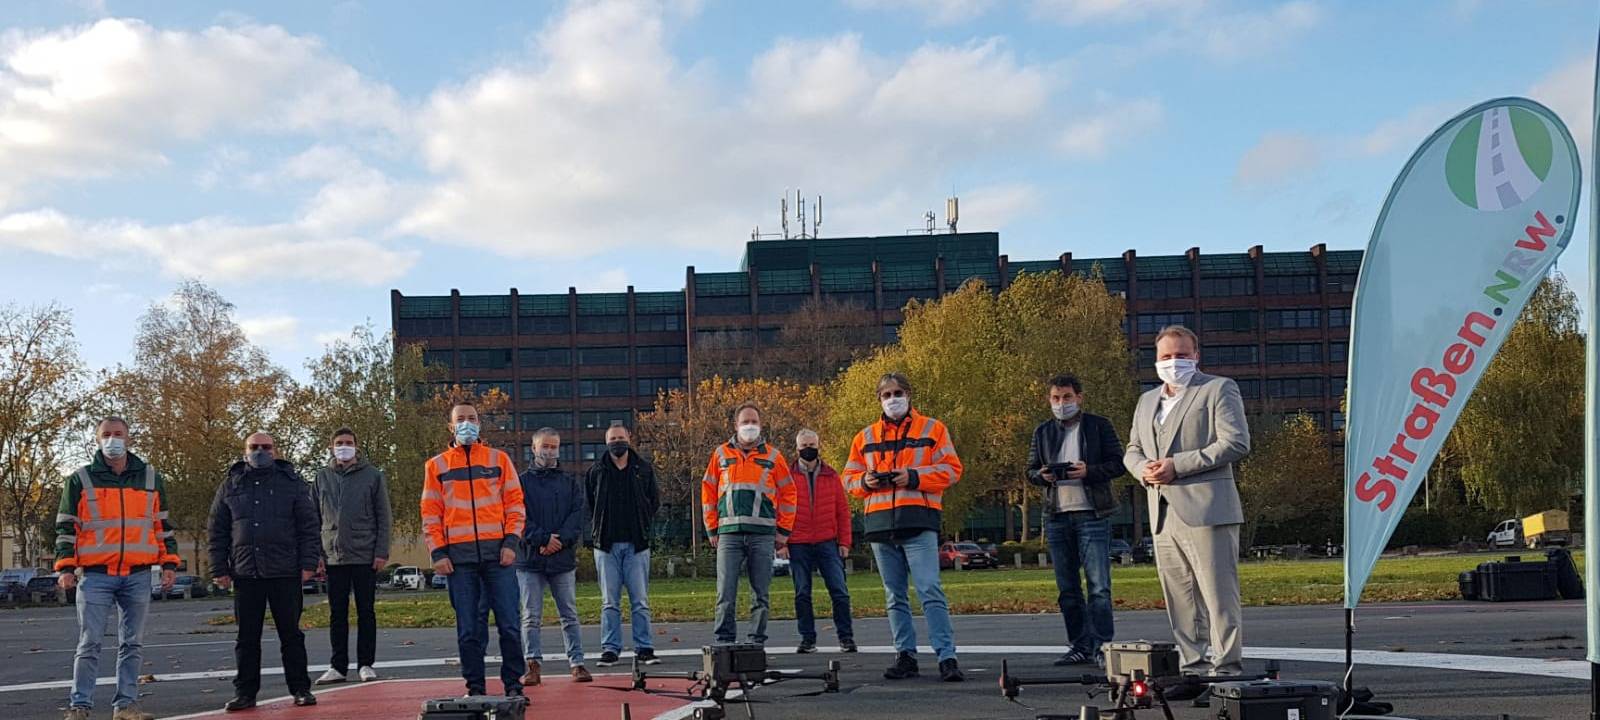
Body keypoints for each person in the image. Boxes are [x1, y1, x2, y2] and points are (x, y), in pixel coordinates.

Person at [1124, 325, 1251, 699]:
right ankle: (1192, 670)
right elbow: (1132, 447)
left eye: (1181, 355)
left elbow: (1235, 442)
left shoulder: (1217, 389)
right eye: (1166, 357)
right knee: (1179, 596)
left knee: (1218, 595)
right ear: (1155, 361)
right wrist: (1142, 469)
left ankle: (1226, 670)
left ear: (1196, 356)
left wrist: (1178, 465)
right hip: (1162, 511)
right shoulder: (1147, 401)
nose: (1173, 362)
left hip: (1208, 508)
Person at [842, 373, 965, 682]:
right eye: (887, 394)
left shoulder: (933, 429)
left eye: (898, 393)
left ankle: (946, 656)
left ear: (909, 395)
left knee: (929, 589)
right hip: (881, 525)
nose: (892, 399)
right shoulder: (865, 436)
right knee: (894, 595)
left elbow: (952, 470)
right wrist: (865, 482)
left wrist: (913, 476)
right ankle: (905, 654)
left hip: (918, 521)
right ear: (879, 400)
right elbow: (848, 477)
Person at [55, 416, 180, 720]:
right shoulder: (80, 479)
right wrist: (66, 566)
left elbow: (161, 526)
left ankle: (126, 705)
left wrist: (168, 562)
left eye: (118, 434)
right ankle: (80, 706)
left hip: (137, 574)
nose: (113, 439)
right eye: (107, 435)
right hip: (96, 575)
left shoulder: (151, 478)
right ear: (97, 440)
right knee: (90, 643)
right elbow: (66, 528)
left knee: (132, 643)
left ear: (129, 438)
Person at [421, 403, 528, 697]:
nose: (467, 424)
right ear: (451, 427)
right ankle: (476, 688)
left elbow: (515, 504)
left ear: (480, 424)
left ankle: (513, 686)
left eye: (472, 419)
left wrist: (511, 543)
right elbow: (430, 513)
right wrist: (438, 553)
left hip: (499, 557)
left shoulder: (499, 460)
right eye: (461, 420)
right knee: (469, 630)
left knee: (509, 624)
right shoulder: (437, 466)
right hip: (459, 560)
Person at [209, 432, 321, 711]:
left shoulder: (293, 484)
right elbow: (217, 530)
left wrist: (309, 563)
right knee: (247, 638)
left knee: (291, 635)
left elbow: (308, 526)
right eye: (254, 447)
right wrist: (219, 567)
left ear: (276, 450)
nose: (260, 451)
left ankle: (300, 688)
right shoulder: (230, 485)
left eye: (266, 447)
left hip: (285, 572)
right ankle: (245, 693)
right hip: (246, 573)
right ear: (245, 450)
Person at [1026, 374, 1126, 667]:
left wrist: (1089, 470)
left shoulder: (1098, 425)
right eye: (1056, 398)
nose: (1061, 403)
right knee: (1067, 588)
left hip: (1092, 513)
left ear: (1079, 397)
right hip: (1056, 515)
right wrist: (1041, 476)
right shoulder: (1043, 432)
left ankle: (1102, 646)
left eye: (1067, 397)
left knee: (1098, 586)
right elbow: (1029, 470)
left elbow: (1119, 464)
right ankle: (1079, 645)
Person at [702, 403, 796, 647]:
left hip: (763, 534)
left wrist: (783, 532)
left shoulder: (774, 457)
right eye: (745, 422)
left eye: (754, 421)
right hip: (728, 535)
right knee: (725, 593)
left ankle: (756, 641)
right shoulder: (721, 454)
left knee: (761, 594)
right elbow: (708, 491)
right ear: (735, 425)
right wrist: (711, 528)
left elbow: (788, 494)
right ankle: (724, 641)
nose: (750, 426)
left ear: (761, 424)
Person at [312, 427, 393, 686]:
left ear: (356, 447)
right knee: (337, 613)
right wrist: (317, 555)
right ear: (331, 447)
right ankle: (337, 666)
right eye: (339, 443)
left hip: (365, 555)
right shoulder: (321, 478)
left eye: (348, 442)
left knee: (366, 612)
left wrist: (381, 551)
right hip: (333, 557)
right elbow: (312, 518)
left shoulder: (373, 476)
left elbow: (384, 517)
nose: (344, 446)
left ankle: (366, 664)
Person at [515, 428, 592, 685]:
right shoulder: (521, 482)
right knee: (531, 615)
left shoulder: (569, 482)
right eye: (544, 446)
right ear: (534, 448)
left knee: (569, 613)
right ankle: (532, 664)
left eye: (553, 446)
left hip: (562, 560)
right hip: (530, 560)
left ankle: (577, 663)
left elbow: (577, 516)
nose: (549, 451)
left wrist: (558, 542)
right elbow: (518, 517)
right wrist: (542, 540)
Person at [584, 424, 661, 667]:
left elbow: (654, 501)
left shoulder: (643, 469)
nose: (617, 442)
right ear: (606, 443)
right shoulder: (596, 470)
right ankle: (610, 649)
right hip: (606, 545)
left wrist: (643, 523)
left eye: (621, 438)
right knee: (609, 601)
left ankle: (644, 648)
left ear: (629, 439)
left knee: (640, 600)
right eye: (612, 439)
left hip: (636, 544)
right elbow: (590, 502)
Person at [786, 429, 856, 654]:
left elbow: (842, 512)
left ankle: (846, 637)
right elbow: (779, 511)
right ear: (797, 449)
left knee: (840, 591)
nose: (809, 448)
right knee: (802, 592)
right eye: (804, 444)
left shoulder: (831, 475)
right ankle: (807, 639)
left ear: (819, 445)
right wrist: (781, 543)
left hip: (827, 541)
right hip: (798, 542)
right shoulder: (787, 476)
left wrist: (844, 542)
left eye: (812, 444)